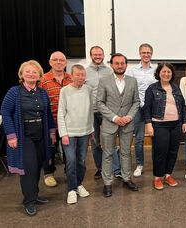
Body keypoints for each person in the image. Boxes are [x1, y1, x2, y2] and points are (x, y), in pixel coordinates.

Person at [1, 60, 56, 216]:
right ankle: (29, 201)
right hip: (24, 136)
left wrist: (51, 132)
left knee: (38, 164)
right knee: (28, 168)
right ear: (21, 74)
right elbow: (5, 112)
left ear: (39, 75)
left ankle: (35, 194)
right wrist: (11, 135)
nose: (31, 74)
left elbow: (48, 113)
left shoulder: (42, 92)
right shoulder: (14, 92)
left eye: (34, 72)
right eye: (28, 71)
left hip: (41, 134)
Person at [96, 53, 140, 197]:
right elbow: (100, 103)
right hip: (110, 123)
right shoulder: (104, 81)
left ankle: (127, 178)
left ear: (126, 65)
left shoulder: (133, 81)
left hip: (127, 124)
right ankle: (107, 182)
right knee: (108, 153)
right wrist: (114, 117)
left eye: (122, 63)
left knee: (126, 152)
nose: (120, 66)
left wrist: (128, 116)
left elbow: (136, 102)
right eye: (117, 63)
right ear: (112, 65)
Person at [144, 63, 186, 190]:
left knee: (173, 151)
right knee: (160, 152)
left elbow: (182, 106)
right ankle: (158, 177)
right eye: (164, 71)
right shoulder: (152, 88)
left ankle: (168, 175)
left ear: (172, 74)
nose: (166, 74)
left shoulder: (176, 88)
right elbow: (147, 108)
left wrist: (184, 121)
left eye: (169, 72)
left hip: (176, 124)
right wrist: (149, 124)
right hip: (159, 125)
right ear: (159, 73)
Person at [57, 64, 94, 204]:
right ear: (71, 76)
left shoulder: (88, 90)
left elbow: (90, 111)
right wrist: (64, 134)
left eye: (83, 75)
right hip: (69, 133)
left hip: (84, 132)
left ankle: (79, 184)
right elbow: (61, 113)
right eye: (77, 75)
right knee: (71, 161)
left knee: (81, 161)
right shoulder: (65, 91)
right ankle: (71, 189)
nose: (80, 77)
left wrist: (91, 130)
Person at [85, 46, 121, 179]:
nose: (98, 57)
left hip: (107, 112)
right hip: (92, 112)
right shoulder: (85, 72)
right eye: (95, 54)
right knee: (95, 144)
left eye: (100, 54)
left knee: (111, 141)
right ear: (91, 56)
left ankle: (117, 170)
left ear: (103, 55)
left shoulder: (110, 71)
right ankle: (100, 168)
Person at [39, 51, 72, 187]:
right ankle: (49, 173)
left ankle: (68, 172)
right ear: (50, 62)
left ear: (65, 63)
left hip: (69, 123)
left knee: (68, 150)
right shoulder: (42, 80)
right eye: (55, 60)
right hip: (50, 123)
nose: (59, 62)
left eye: (61, 60)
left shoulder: (71, 79)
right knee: (50, 149)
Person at [126, 43, 157, 177]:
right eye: (144, 52)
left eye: (148, 53)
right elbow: (130, 89)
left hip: (154, 108)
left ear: (151, 54)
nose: (146, 55)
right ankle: (140, 164)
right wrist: (141, 103)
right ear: (140, 54)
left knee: (156, 137)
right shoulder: (132, 71)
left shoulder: (156, 69)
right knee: (138, 139)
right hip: (138, 107)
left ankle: (157, 163)